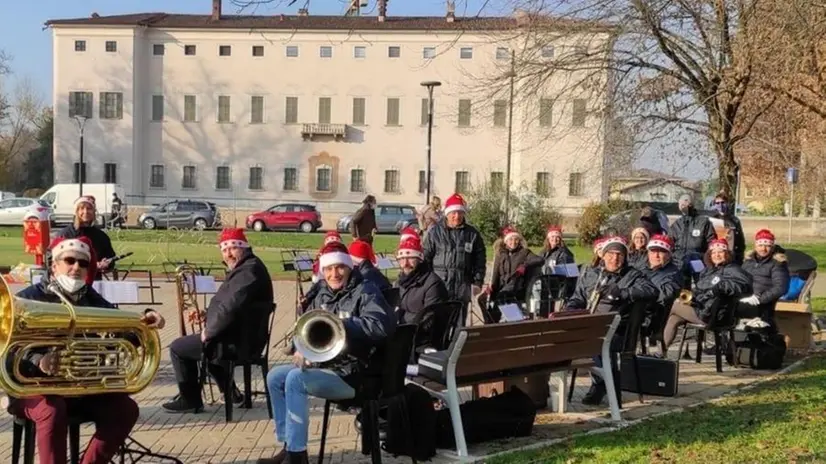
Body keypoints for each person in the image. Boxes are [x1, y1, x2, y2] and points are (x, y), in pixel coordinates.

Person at [8, 236, 165, 464]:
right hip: (33, 388)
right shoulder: (27, 298)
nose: (76, 268)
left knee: (125, 410)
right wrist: (38, 360)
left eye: (83, 264)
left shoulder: (92, 298)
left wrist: (145, 321)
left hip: (81, 388)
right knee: (52, 412)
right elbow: (9, 351)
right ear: (54, 265)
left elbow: (122, 332)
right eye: (69, 261)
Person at [260, 242, 395, 464]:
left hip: (356, 373)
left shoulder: (366, 290)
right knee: (275, 377)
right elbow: (304, 328)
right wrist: (299, 348)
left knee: (295, 380)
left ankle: (297, 456)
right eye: (329, 269)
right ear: (323, 271)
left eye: (340, 267)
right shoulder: (321, 292)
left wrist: (343, 324)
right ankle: (288, 444)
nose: (334, 274)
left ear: (349, 267)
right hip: (328, 368)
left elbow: (381, 327)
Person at [162, 228, 274, 413]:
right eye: (224, 250)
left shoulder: (249, 271)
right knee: (206, 347)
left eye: (233, 249)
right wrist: (206, 315)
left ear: (244, 248)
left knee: (178, 348)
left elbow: (230, 307)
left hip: (241, 343)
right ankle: (231, 393)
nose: (228, 254)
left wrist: (209, 331)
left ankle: (190, 400)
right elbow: (231, 304)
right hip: (240, 337)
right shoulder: (247, 267)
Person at [564, 236, 658, 405]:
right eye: (611, 254)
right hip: (589, 326)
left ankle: (601, 384)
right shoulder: (591, 273)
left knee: (596, 342)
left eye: (619, 255)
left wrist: (623, 293)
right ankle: (547, 391)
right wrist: (570, 310)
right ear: (603, 255)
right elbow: (578, 298)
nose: (615, 258)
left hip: (618, 331)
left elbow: (652, 291)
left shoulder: (633, 275)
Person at [662, 239, 753, 349]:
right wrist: (691, 297)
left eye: (720, 252)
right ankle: (661, 352)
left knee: (672, 306)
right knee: (674, 318)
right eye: (713, 252)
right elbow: (701, 290)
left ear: (727, 254)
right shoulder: (708, 271)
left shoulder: (733, 269)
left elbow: (745, 287)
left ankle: (654, 335)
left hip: (716, 315)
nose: (716, 255)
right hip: (703, 308)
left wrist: (721, 287)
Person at [422, 193, 486, 325]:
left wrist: (478, 282)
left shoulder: (472, 234)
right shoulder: (435, 233)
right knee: (438, 326)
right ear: (447, 213)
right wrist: (427, 284)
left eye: (460, 213)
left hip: (462, 289)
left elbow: (480, 260)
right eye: (453, 213)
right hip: (439, 288)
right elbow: (426, 259)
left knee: (458, 328)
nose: (457, 216)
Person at [395, 237, 449, 354]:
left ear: (420, 259)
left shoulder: (433, 283)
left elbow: (429, 320)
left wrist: (401, 327)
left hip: (424, 341)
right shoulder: (401, 281)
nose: (405, 263)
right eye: (402, 259)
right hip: (404, 333)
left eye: (410, 258)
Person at [739, 229, 789, 330]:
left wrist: (759, 299)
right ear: (755, 246)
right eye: (760, 245)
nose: (763, 249)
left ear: (772, 247)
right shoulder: (748, 262)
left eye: (767, 246)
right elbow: (740, 280)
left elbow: (780, 287)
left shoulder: (777, 263)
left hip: (762, 303)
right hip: (744, 298)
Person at [57, 196, 116, 280]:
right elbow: (54, 260)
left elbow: (111, 258)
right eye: (81, 208)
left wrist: (106, 264)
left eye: (89, 208)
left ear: (94, 212)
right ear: (76, 212)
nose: (85, 212)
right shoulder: (65, 234)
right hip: (69, 282)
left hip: (93, 283)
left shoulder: (101, 236)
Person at [640, 234, 683, 345]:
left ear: (669, 255)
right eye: (653, 252)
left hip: (653, 318)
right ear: (648, 253)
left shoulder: (673, 274)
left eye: (661, 252)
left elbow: (666, 295)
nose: (656, 256)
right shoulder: (640, 270)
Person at [669, 193, 715, 275]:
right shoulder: (676, 224)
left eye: (688, 203)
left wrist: (707, 259)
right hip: (679, 262)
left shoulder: (703, 222)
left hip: (698, 261)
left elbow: (711, 242)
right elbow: (670, 243)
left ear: (692, 205)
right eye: (682, 204)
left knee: (700, 283)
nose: (685, 206)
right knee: (682, 286)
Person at [711, 192, 746, 265]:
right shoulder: (712, 220)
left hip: (733, 256)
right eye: (717, 203)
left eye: (723, 202)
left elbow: (740, 240)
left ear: (727, 203)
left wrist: (740, 256)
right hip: (718, 256)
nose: (720, 205)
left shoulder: (735, 220)